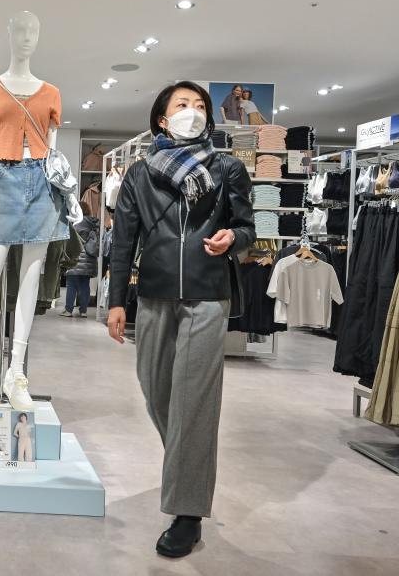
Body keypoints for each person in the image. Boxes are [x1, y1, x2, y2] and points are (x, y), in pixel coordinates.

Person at [107, 81, 255, 558]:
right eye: (182, 105)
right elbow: (123, 241)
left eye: (200, 106)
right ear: (161, 120)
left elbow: (248, 226)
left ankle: (187, 512)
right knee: (155, 389)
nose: (193, 112)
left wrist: (233, 237)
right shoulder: (139, 174)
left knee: (194, 398)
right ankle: (188, 463)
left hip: (208, 296)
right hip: (153, 294)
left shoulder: (228, 167)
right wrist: (114, 301)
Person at [61, 202, 99, 317]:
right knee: (84, 285)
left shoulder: (74, 223)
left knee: (71, 284)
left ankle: (68, 310)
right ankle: (83, 311)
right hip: (88, 260)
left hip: (75, 256)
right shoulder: (92, 224)